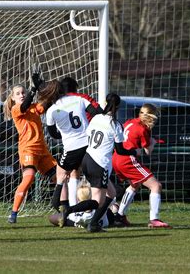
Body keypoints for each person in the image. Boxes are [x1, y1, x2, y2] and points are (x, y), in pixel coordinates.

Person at [59, 93, 139, 232]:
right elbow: (120, 150)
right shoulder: (115, 124)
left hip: (87, 159)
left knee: (111, 193)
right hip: (100, 164)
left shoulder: (96, 118)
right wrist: (134, 152)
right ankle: (71, 211)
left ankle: (94, 223)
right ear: (118, 107)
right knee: (97, 201)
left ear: (105, 102)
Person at [42, 77, 103, 213]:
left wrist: (65, 134)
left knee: (61, 173)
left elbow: (53, 134)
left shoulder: (52, 110)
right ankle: (107, 212)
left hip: (72, 148)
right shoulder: (80, 99)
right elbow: (98, 114)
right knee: (99, 184)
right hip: (90, 145)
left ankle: (59, 203)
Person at [3, 74, 57, 224]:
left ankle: (65, 209)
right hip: (28, 150)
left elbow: (46, 103)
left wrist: (46, 88)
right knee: (29, 178)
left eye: (23, 92)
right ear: (12, 98)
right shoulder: (16, 109)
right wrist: (33, 89)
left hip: (43, 150)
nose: (22, 95)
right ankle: (13, 214)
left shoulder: (34, 108)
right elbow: (25, 105)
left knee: (60, 178)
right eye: (18, 93)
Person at [112, 103, 171, 228]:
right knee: (156, 186)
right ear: (151, 116)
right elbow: (148, 151)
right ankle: (154, 219)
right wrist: (153, 142)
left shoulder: (130, 122)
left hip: (116, 157)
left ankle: (120, 216)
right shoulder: (143, 129)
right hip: (128, 160)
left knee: (135, 184)